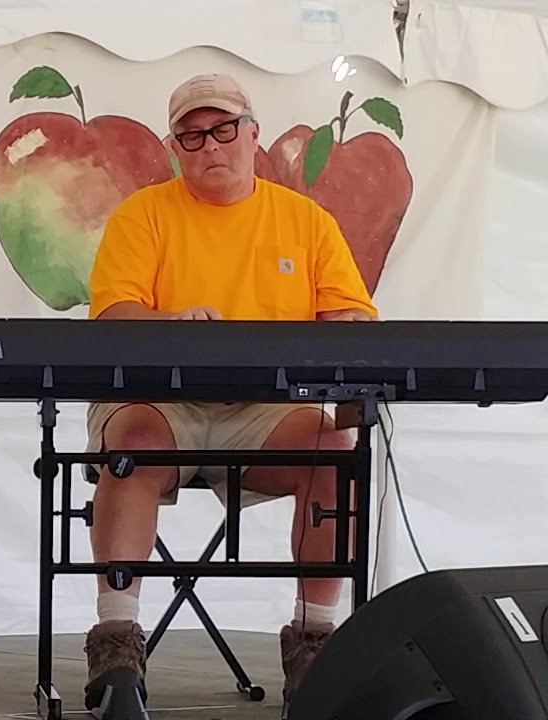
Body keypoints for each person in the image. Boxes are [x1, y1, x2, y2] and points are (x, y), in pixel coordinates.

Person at [82, 73, 377, 719]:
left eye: (222, 129)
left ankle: (315, 644)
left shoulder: (306, 221)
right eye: (191, 136)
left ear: (252, 133)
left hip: (268, 411)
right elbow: (112, 315)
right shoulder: (143, 214)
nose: (209, 145)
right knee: (132, 444)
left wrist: (348, 324)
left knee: (336, 449)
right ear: (174, 148)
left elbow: (350, 317)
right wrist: (171, 325)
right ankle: (116, 645)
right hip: (159, 402)